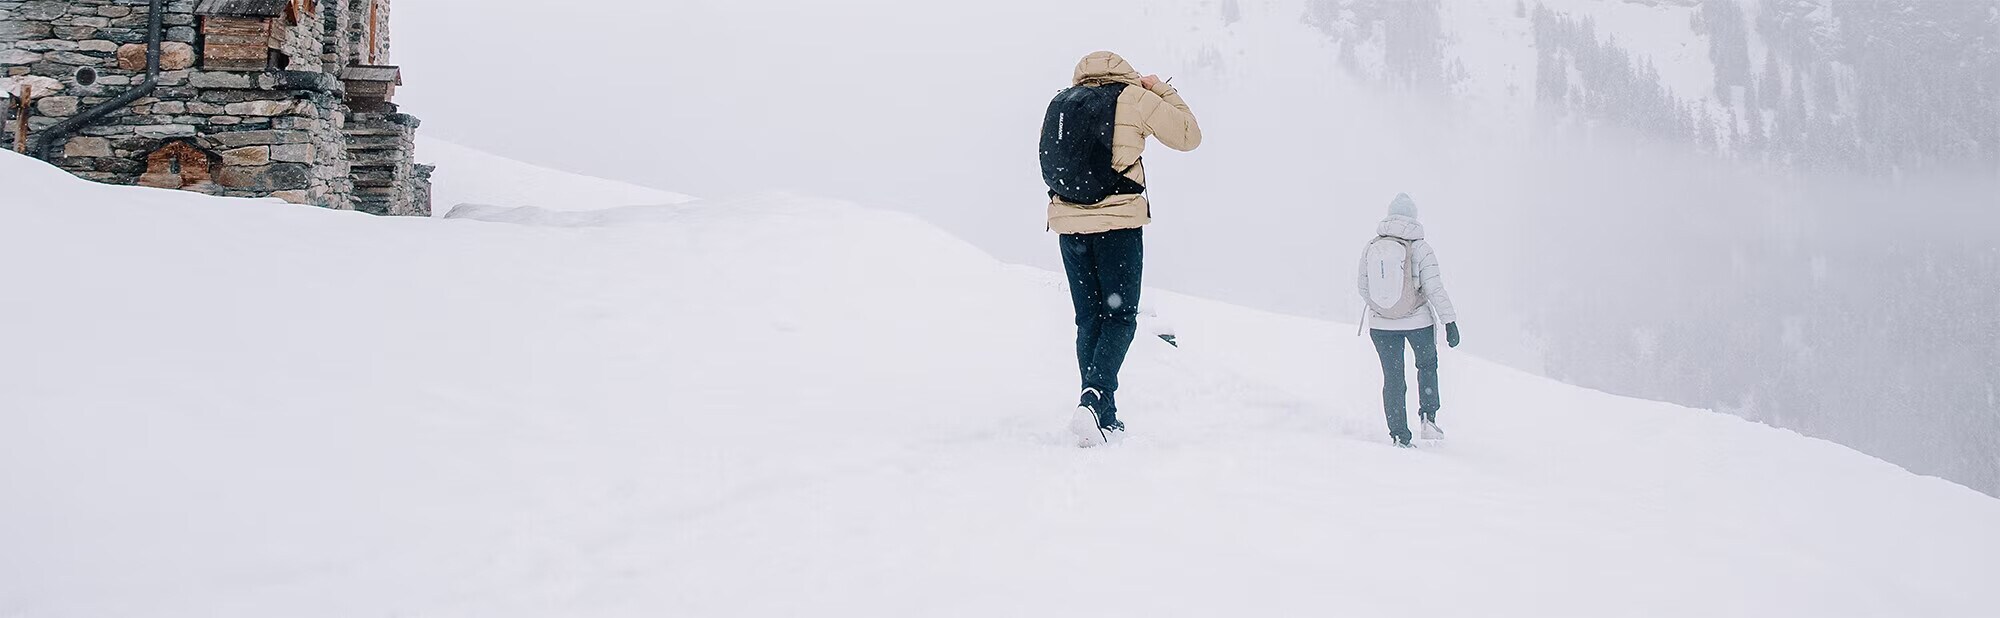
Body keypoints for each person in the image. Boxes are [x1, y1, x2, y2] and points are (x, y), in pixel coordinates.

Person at [1039, 51, 1202, 445]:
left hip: (1069, 226)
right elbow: (1188, 135)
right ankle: (1093, 401)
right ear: (1122, 70)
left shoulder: (1063, 101)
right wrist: (1158, 87)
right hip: (1118, 226)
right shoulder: (1132, 96)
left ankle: (1101, 415)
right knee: (1121, 317)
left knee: (1089, 320)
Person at [1357, 193, 1460, 448]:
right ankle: (1428, 417)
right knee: (1426, 365)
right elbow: (1435, 289)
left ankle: (1399, 435)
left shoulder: (1372, 246)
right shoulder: (1421, 248)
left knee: (1393, 379)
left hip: (1381, 327)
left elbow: (1362, 286)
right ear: (1413, 217)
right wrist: (1450, 322)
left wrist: (1383, 309)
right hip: (1418, 324)